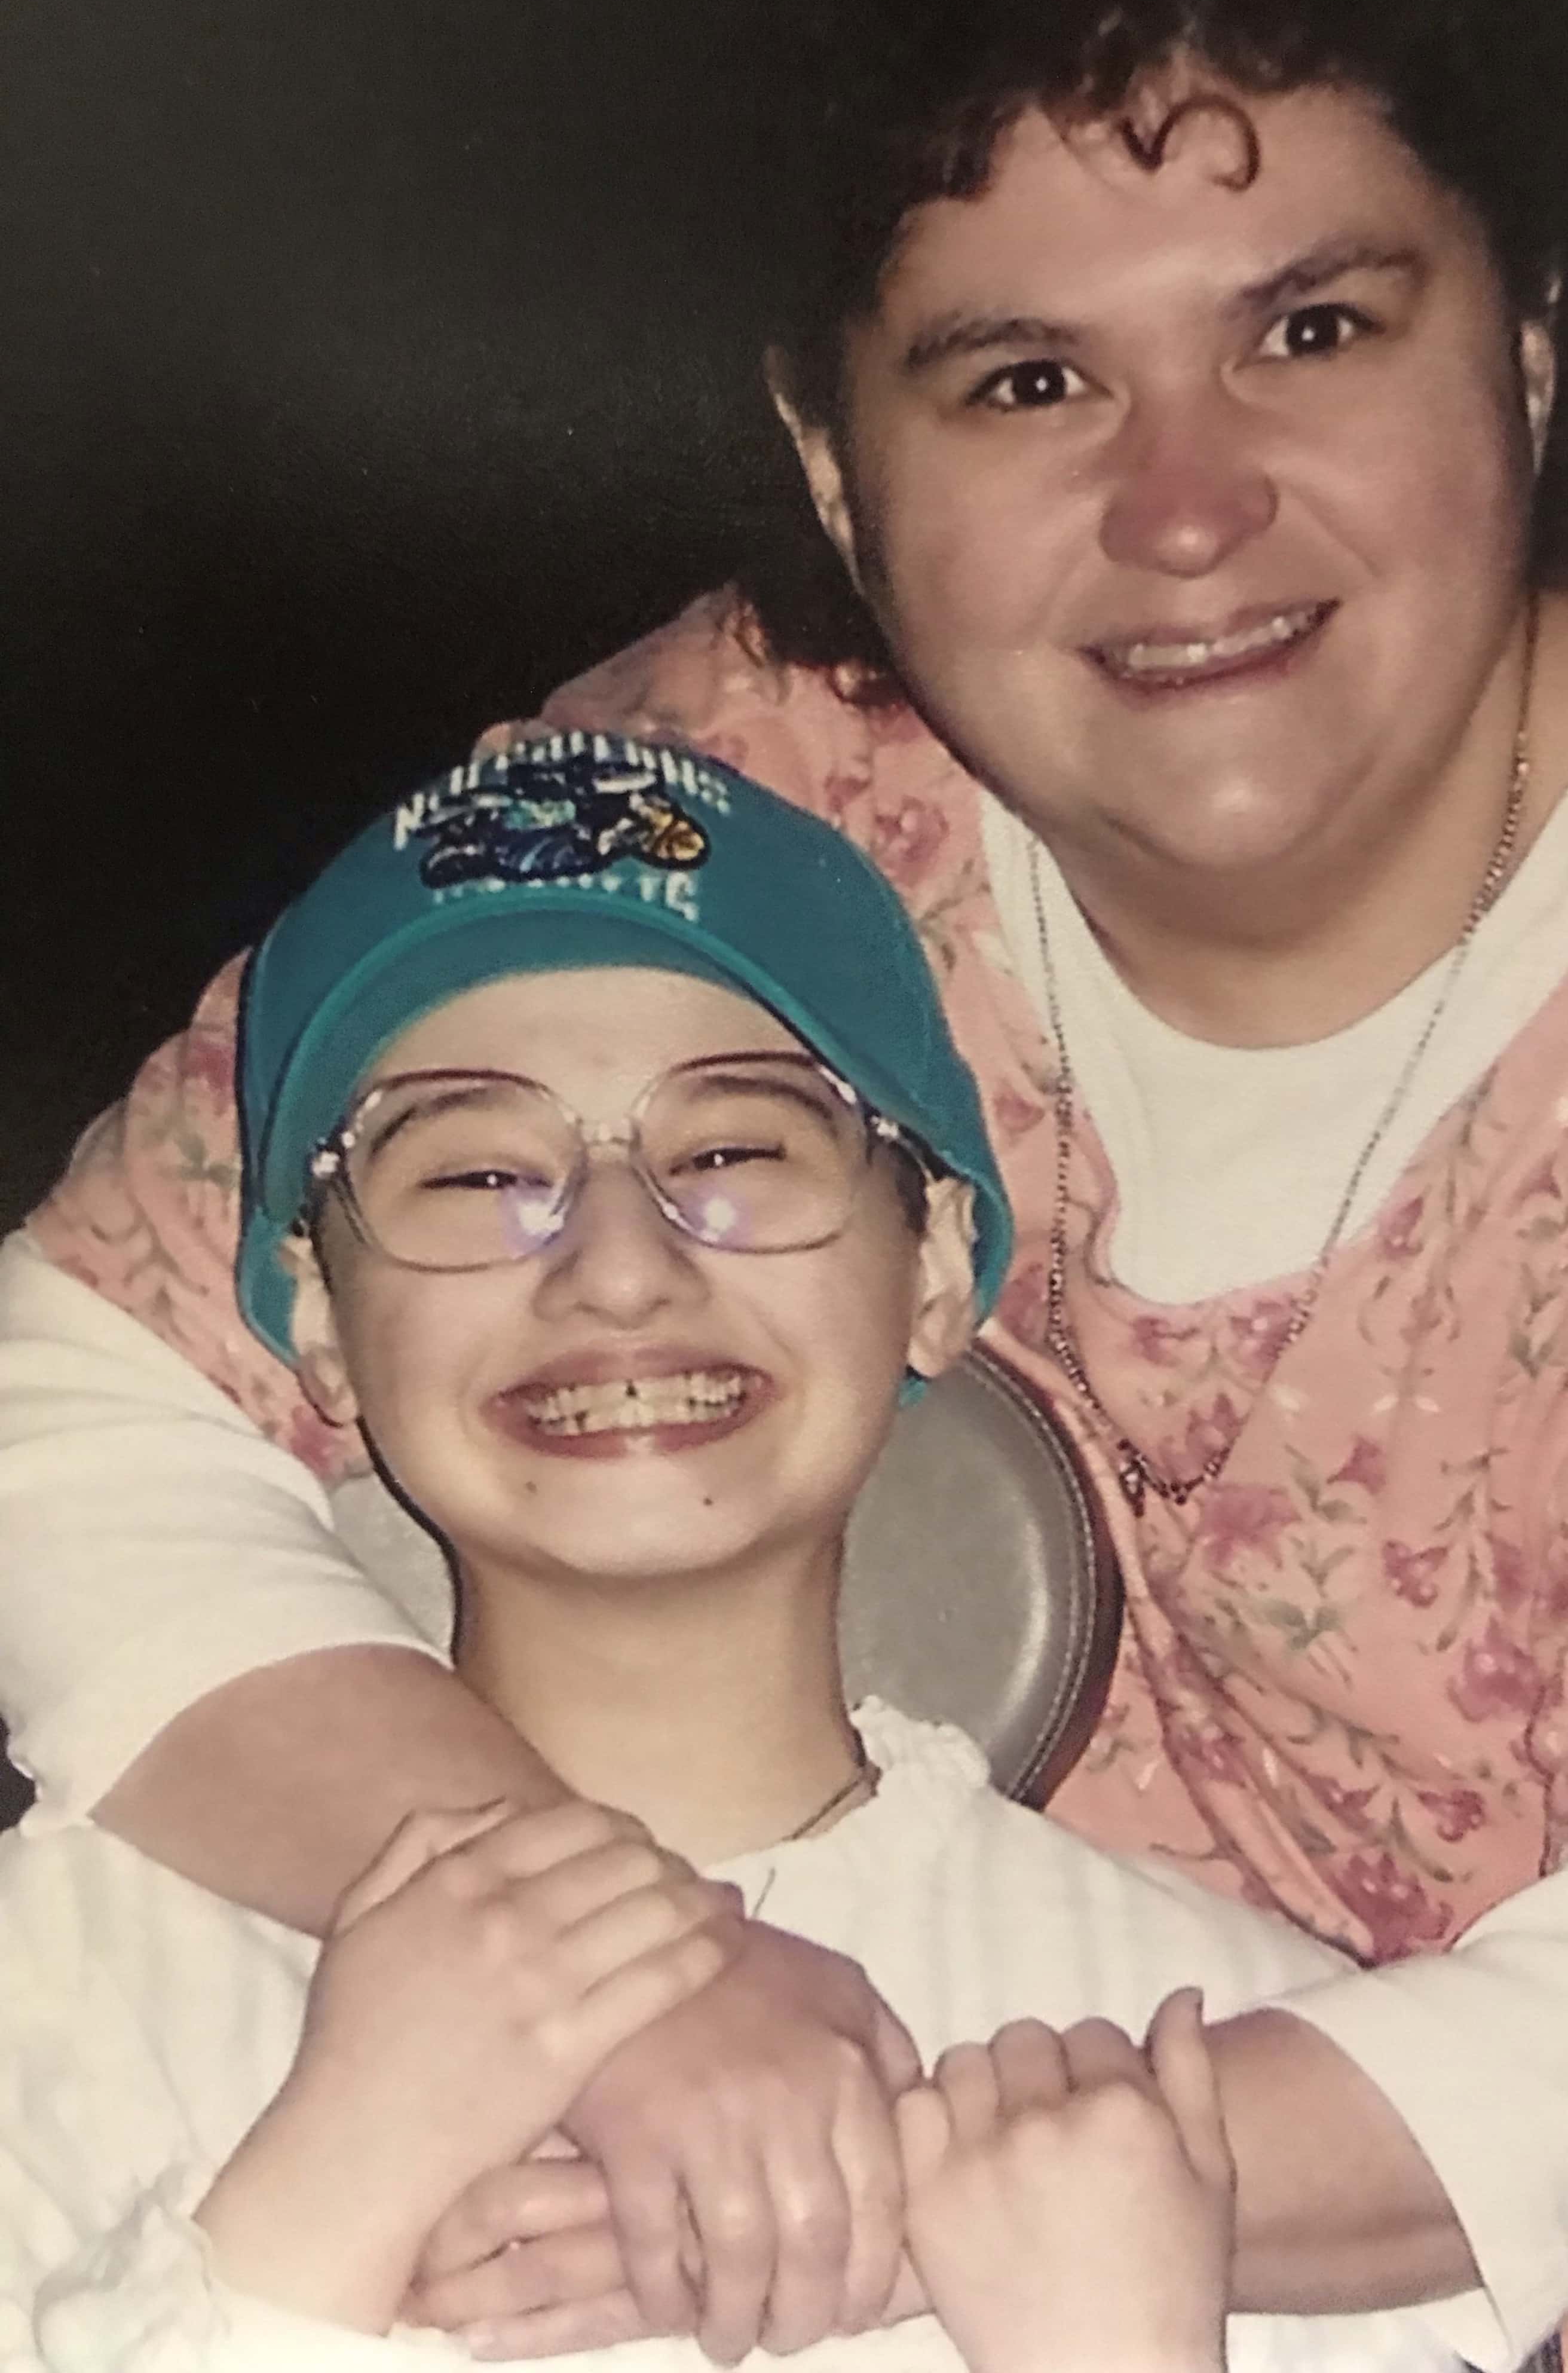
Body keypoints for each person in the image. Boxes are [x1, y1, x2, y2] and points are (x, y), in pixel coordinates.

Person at [5, 0, 1568, 2366]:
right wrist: (624, 1970)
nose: (1187, 506)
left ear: (1533, 346)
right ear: (837, 459)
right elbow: (80, 1387)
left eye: (1314, 331)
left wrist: (878, 2182)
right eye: (1029, 381)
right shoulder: (748, 788)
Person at [0, 733, 1460, 2373]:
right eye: (477, 1174)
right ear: (323, 1322)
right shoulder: (65, 1982)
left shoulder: (1224, 2057)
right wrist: (330, 2190)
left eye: (732, 1154)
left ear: (935, 1265)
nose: (618, 1267)